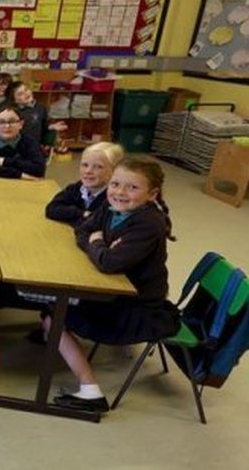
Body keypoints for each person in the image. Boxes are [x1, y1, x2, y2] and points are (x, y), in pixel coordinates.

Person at [48, 157, 179, 412]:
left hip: (137, 307)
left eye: (132, 187)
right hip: (117, 291)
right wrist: (99, 245)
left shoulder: (148, 224)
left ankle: (90, 391)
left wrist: (98, 245)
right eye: (116, 184)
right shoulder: (112, 207)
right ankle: (57, 340)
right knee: (55, 304)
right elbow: (83, 231)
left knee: (53, 314)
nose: (120, 192)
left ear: (152, 194)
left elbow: (108, 263)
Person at [46, 142, 125, 227]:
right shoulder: (77, 188)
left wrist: (71, 216)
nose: (88, 171)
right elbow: (52, 209)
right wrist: (82, 213)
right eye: (85, 165)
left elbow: (97, 226)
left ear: (115, 171)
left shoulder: (115, 199)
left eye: (98, 167)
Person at [0, 105, 46, 179]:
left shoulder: (30, 142)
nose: (7, 126)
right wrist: (18, 174)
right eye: (1, 122)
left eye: (12, 121)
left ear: (21, 124)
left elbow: (39, 169)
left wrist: (5, 161)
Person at [8, 81, 67, 146]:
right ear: (15, 100)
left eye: (26, 90)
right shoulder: (13, 112)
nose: (25, 94)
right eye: (20, 94)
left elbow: (44, 125)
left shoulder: (40, 107)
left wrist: (52, 126)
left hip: (35, 146)